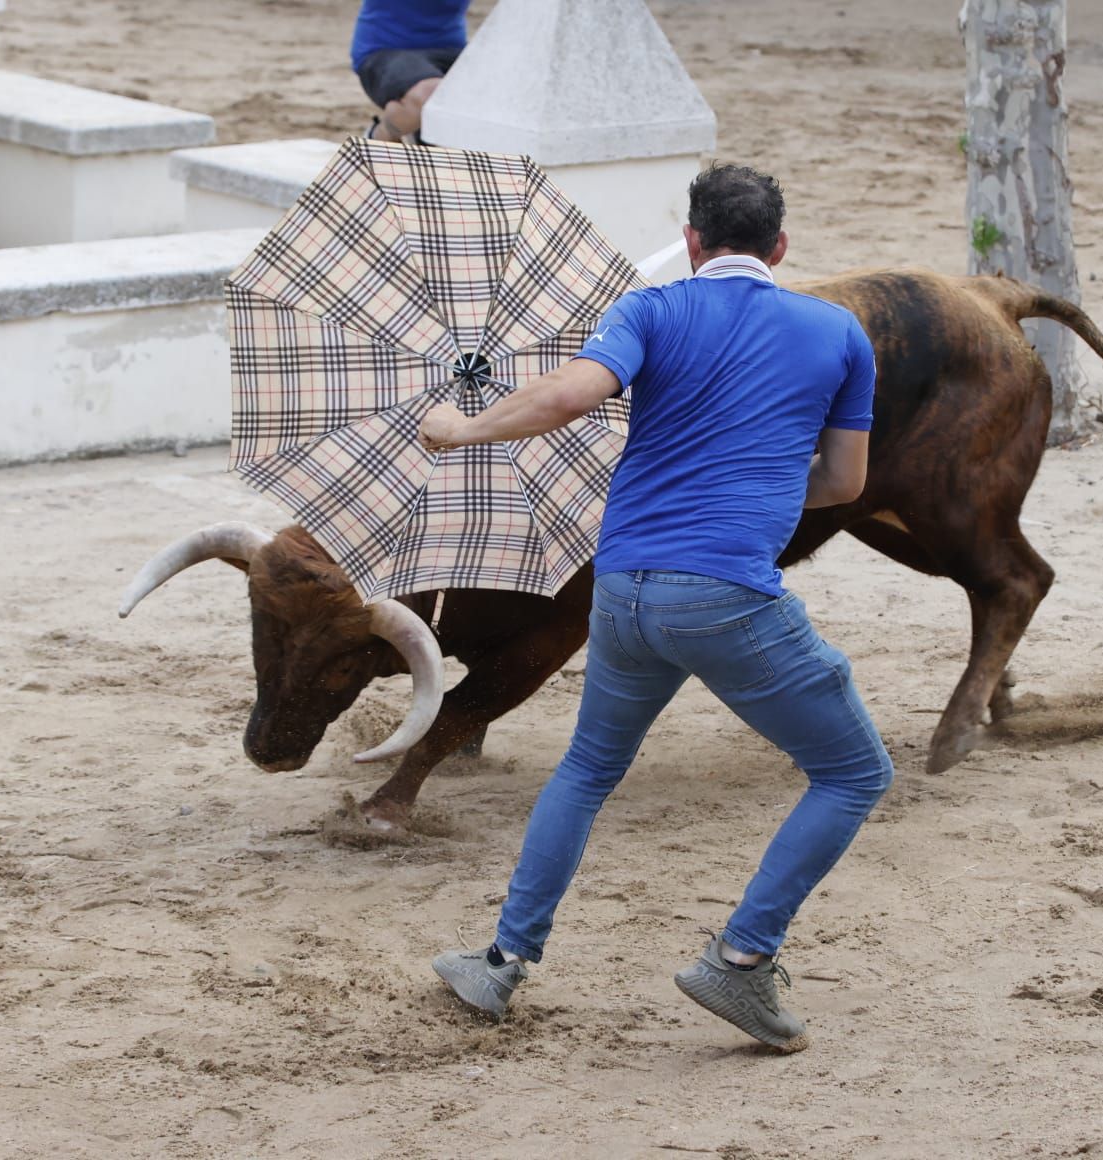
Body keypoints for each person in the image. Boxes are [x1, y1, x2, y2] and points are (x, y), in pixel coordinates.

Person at [416, 164, 893, 1052]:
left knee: (587, 769)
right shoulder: (837, 331)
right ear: (780, 247)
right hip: (726, 597)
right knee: (854, 772)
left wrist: (463, 428)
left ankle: (501, 961)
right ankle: (742, 959)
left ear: (693, 241)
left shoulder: (649, 309)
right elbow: (844, 482)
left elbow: (572, 394)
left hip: (623, 591)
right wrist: (755, 476)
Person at [349, 0, 470, 144]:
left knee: (489, 91)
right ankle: (379, 136)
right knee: (431, 93)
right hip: (385, 49)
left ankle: (422, 132)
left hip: (451, 48)